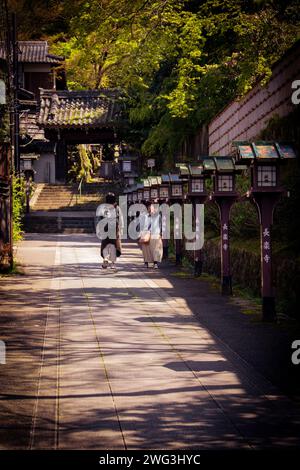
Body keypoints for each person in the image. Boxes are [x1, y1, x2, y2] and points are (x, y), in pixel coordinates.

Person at [99, 193, 123, 270]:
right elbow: (121, 219)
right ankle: (113, 263)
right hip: (115, 229)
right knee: (113, 246)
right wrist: (121, 229)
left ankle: (105, 257)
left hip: (105, 229)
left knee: (105, 245)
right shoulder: (117, 208)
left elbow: (100, 219)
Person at [138, 202, 163, 269]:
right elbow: (141, 225)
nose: (150, 209)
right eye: (149, 208)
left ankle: (155, 263)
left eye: (152, 208)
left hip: (155, 234)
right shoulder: (144, 215)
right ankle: (146, 263)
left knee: (156, 249)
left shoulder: (158, 216)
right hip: (145, 233)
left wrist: (160, 233)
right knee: (146, 250)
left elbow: (160, 225)